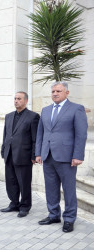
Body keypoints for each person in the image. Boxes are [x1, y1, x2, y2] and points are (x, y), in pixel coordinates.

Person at [35, 81, 88, 233]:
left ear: (66, 92)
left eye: (58, 91)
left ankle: (70, 219)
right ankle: (53, 215)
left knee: (69, 189)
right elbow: (41, 134)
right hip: (48, 156)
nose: (55, 94)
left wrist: (78, 155)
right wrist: (38, 153)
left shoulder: (76, 109)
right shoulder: (45, 110)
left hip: (67, 157)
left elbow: (81, 134)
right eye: (53, 91)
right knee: (50, 188)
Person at [0, 91, 40, 217]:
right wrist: (3, 149)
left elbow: (35, 138)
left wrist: (34, 155)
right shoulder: (9, 116)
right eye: (15, 99)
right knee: (11, 181)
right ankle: (14, 203)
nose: (16, 101)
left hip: (24, 156)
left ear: (26, 101)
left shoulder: (33, 117)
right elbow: (6, 135)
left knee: (24, 183)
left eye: (19, 99)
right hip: (9, 155)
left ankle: (25, 206)